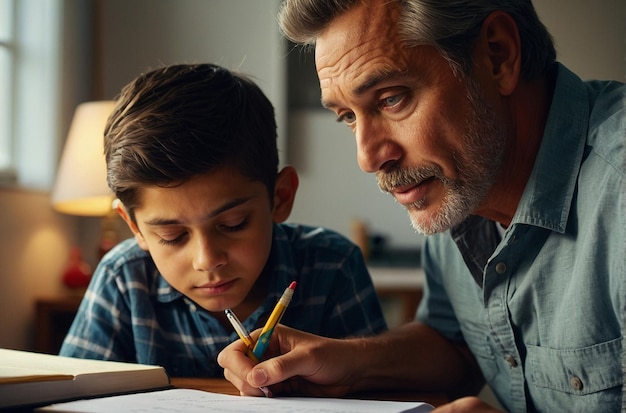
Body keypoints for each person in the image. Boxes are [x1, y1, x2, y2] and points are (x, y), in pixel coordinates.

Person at [217, 0, 625, 411]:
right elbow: (456, 342)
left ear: (497, 56)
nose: (369, 158)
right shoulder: (460, 183)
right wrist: (346, 362)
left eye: (392, 99)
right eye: (348, 117)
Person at [59, 63, 387, 377]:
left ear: (280, 197)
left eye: (233, 223)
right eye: (172, 236)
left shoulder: (332, 265)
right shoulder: (123, 279)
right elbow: (70, 398)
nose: (208, 260)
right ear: (133, 227)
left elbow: (381, 390)